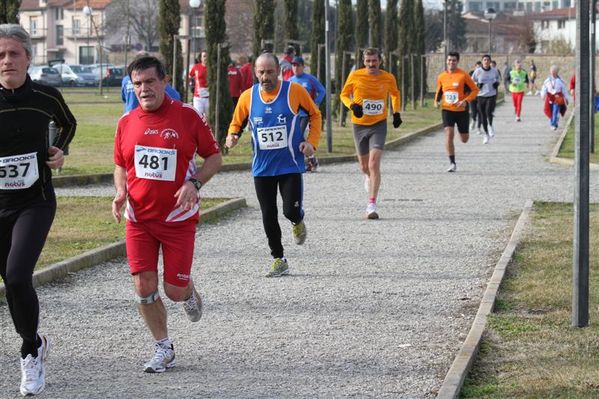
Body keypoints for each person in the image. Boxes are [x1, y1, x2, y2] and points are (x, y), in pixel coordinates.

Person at [112, 55, 222, 373]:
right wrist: (121, 191)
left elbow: (214, 157)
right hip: (139, 220)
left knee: (173, 290)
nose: (144, 89)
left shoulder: (188, 116)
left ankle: (187, 291)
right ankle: (163, 348)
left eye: (149, 82)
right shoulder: (126, 122)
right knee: (143, 286)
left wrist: (194, 182)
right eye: (137, 84)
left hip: (178, 219)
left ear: (165, 81)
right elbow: (121, 165)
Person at [0, 23, 76, 396]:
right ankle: (35, 339)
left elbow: (68, 123)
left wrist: (59, 150)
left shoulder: (46, 96)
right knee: (11, 286)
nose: (6, 61)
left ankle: (29, 353)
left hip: (35, 201)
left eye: (14, 53)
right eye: (0, 55)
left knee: (16, 276)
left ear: (28, 57)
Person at [226, 52, 321, 277]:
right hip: (262, 167)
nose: (265, 77)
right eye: (261, 72)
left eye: (270, 72)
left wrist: (311, 143)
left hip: (289, 165)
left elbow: (315, 115)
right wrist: (232, 136)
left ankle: (297, 219)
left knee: (289, 211)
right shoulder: (247, 97)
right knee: (268, 213)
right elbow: (236, 123)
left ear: (278, 71)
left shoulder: (294, 91)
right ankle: (278, 258)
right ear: (255, 73)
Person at [340, 47, 402, 220]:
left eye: (374, 61)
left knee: (374, 164)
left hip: (378, 124)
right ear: (363, 62)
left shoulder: (388, 77)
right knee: (364, 167)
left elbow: (395, 94)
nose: (371, 64)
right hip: (359, 124)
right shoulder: (355, 76)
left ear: (380, 61)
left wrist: (396, 113)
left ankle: (371, 204)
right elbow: (343, 95)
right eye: (368, 61)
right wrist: (352, 105)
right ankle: (368, 177)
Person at [434, 51, 479, 172]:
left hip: (461, 110)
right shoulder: (441, 76)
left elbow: (475, 90)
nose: (451, 62)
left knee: (464, 139)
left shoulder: (463, 75)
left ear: (457, 61)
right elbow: (439, 91)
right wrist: (436, 101)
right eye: (449, 60)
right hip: (447, 109)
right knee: (449, 133)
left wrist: (466, 101)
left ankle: (463, 133)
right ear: (446, 61)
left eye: (453, 60)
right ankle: (452, 163)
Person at [289, 56, 325, 172]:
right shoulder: (289, 81)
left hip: (305, 114)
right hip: (294, 115)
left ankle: (308, 161)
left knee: (299, 137)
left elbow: (322, 91)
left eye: (298, 65)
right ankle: (311, 160)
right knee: (298, 138)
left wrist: (315, 104)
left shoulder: (309, 79)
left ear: (303, 67)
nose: (296, 68)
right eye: (293, 65)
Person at [471, 54, 501, 144]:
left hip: (491, 94)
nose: (486, 61)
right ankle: (486, 135)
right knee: (483, 115)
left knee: (488, 111)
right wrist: (477, 84)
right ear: (482, 61)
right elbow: (472, 80)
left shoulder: (494, 71)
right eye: (484, 60)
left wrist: (497, 83)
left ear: (490, 61)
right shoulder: (478, 71)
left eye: (488, 60)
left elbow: (498, 78)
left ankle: (490, 126)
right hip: (480, 95)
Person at [540, 64, 570, 130]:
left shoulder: (560, 81)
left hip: (558, 98)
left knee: (555, 111)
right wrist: (543, 95)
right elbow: (544, 88)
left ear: (557, 72)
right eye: (552, 72)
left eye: (554, 72)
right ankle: (553, 123)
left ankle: (553, 124)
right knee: (550, 111)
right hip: (550, 98)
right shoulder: (547, 81)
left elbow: (564, 90)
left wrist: (566, 98)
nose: (553, 73)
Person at [189, 50, 209, 115]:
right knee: (198, 117)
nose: (206, 58)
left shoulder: (211, 68)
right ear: (201, 58)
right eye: (204, 56)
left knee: (208, 119)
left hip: (208, 98)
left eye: (207, 56)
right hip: (198, 97)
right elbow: (189, 76)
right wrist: (191, 85)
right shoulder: (196, 67)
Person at [468, 61, 482, 133]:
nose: (478, 68)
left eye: (480, 67)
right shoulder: (471, 73)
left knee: (480, 112)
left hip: (481, 96)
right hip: (472, 95)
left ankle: (479, 128)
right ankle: (473, 120)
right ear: (475, 66)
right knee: (474, 112)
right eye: (477, 66)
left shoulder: (484, 74)